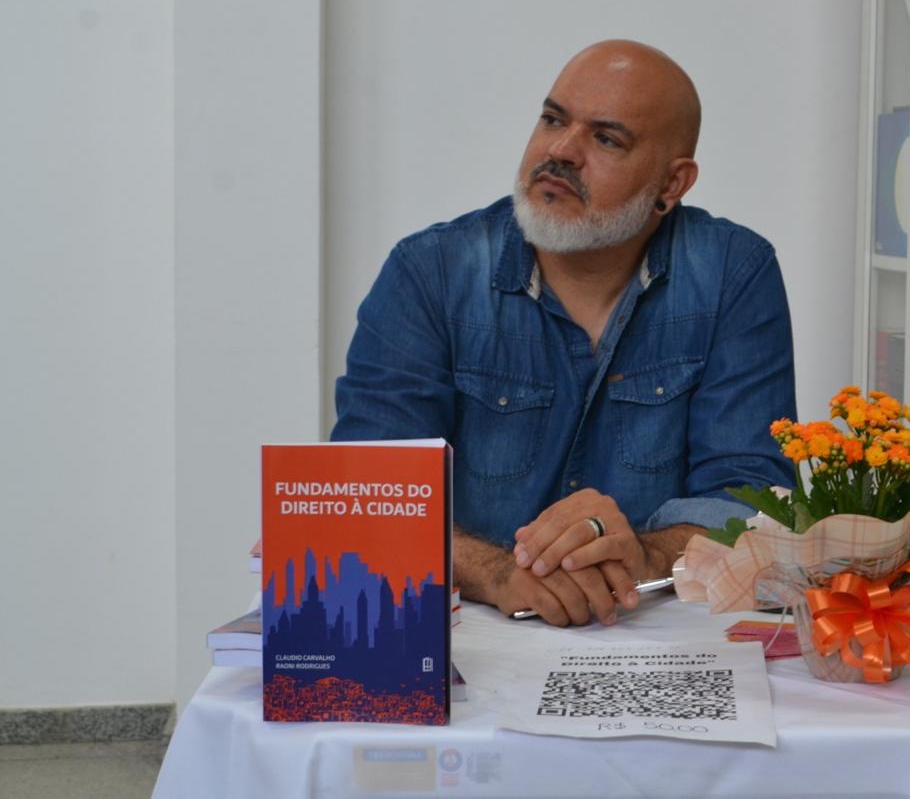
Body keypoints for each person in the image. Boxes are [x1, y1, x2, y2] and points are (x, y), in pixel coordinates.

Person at [331, 40, 796, 627]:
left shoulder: (733, 273)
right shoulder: (430, 273)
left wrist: (639, 554)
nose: (560, 151)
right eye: (553, 119)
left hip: (655, 629)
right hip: (469, 631)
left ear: (672, 185)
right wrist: (498, 573)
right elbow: (372, 499)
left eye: (606, 139)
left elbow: (753, 499)